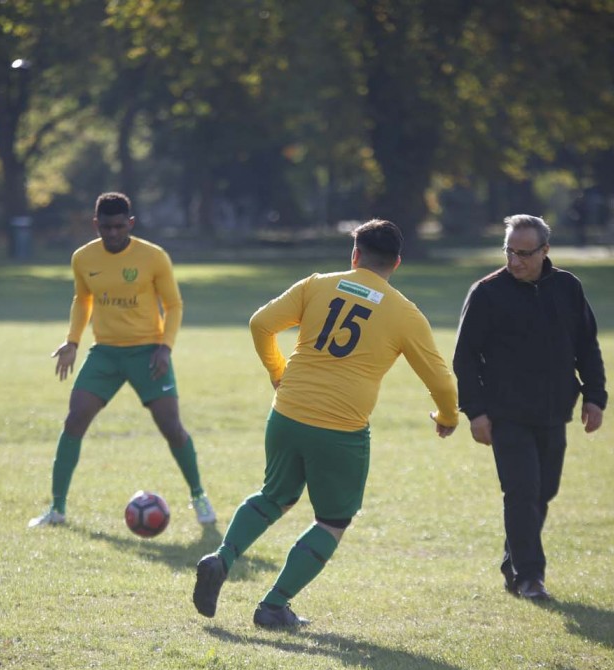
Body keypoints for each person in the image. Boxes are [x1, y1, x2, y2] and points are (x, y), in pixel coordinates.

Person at [192, 219, 459, 629]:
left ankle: (222, 557)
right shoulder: (404, 313)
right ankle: (273, 606)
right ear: (397, 263)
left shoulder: (318, 284)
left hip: (287, 411)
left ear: (355, 255)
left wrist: (277, 370)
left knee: (274, 496)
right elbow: (441, 381)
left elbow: (260, 323)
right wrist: (446, 417)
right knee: (333, 520)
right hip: (341, 428)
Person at [28, 192, 216, 528]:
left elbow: (174, 306)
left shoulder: (154, 257)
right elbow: (82, 299)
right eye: (105, 227)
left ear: (130, 223)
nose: (112, 234)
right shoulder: (83, 258)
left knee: (172, 428)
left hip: (149, 353)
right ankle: (57, 510)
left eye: (119, 227)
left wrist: (165, 347)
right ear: (95, 224)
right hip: (106, 354)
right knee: (74, 421)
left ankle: (199, 496)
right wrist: (72, 341)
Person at [453, 214, 607, 601]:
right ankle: (530, 578)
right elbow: (465, 358)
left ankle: (513, 560)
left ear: (545, 251)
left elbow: (586, 345)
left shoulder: (568, 287)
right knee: (522, 492)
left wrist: (594, 396)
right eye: (509, 251)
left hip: (555, 411)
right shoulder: (487, 293)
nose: (515, 261)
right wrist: (476, 412)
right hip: (506, 413)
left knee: (543, 492)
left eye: (524, 253)